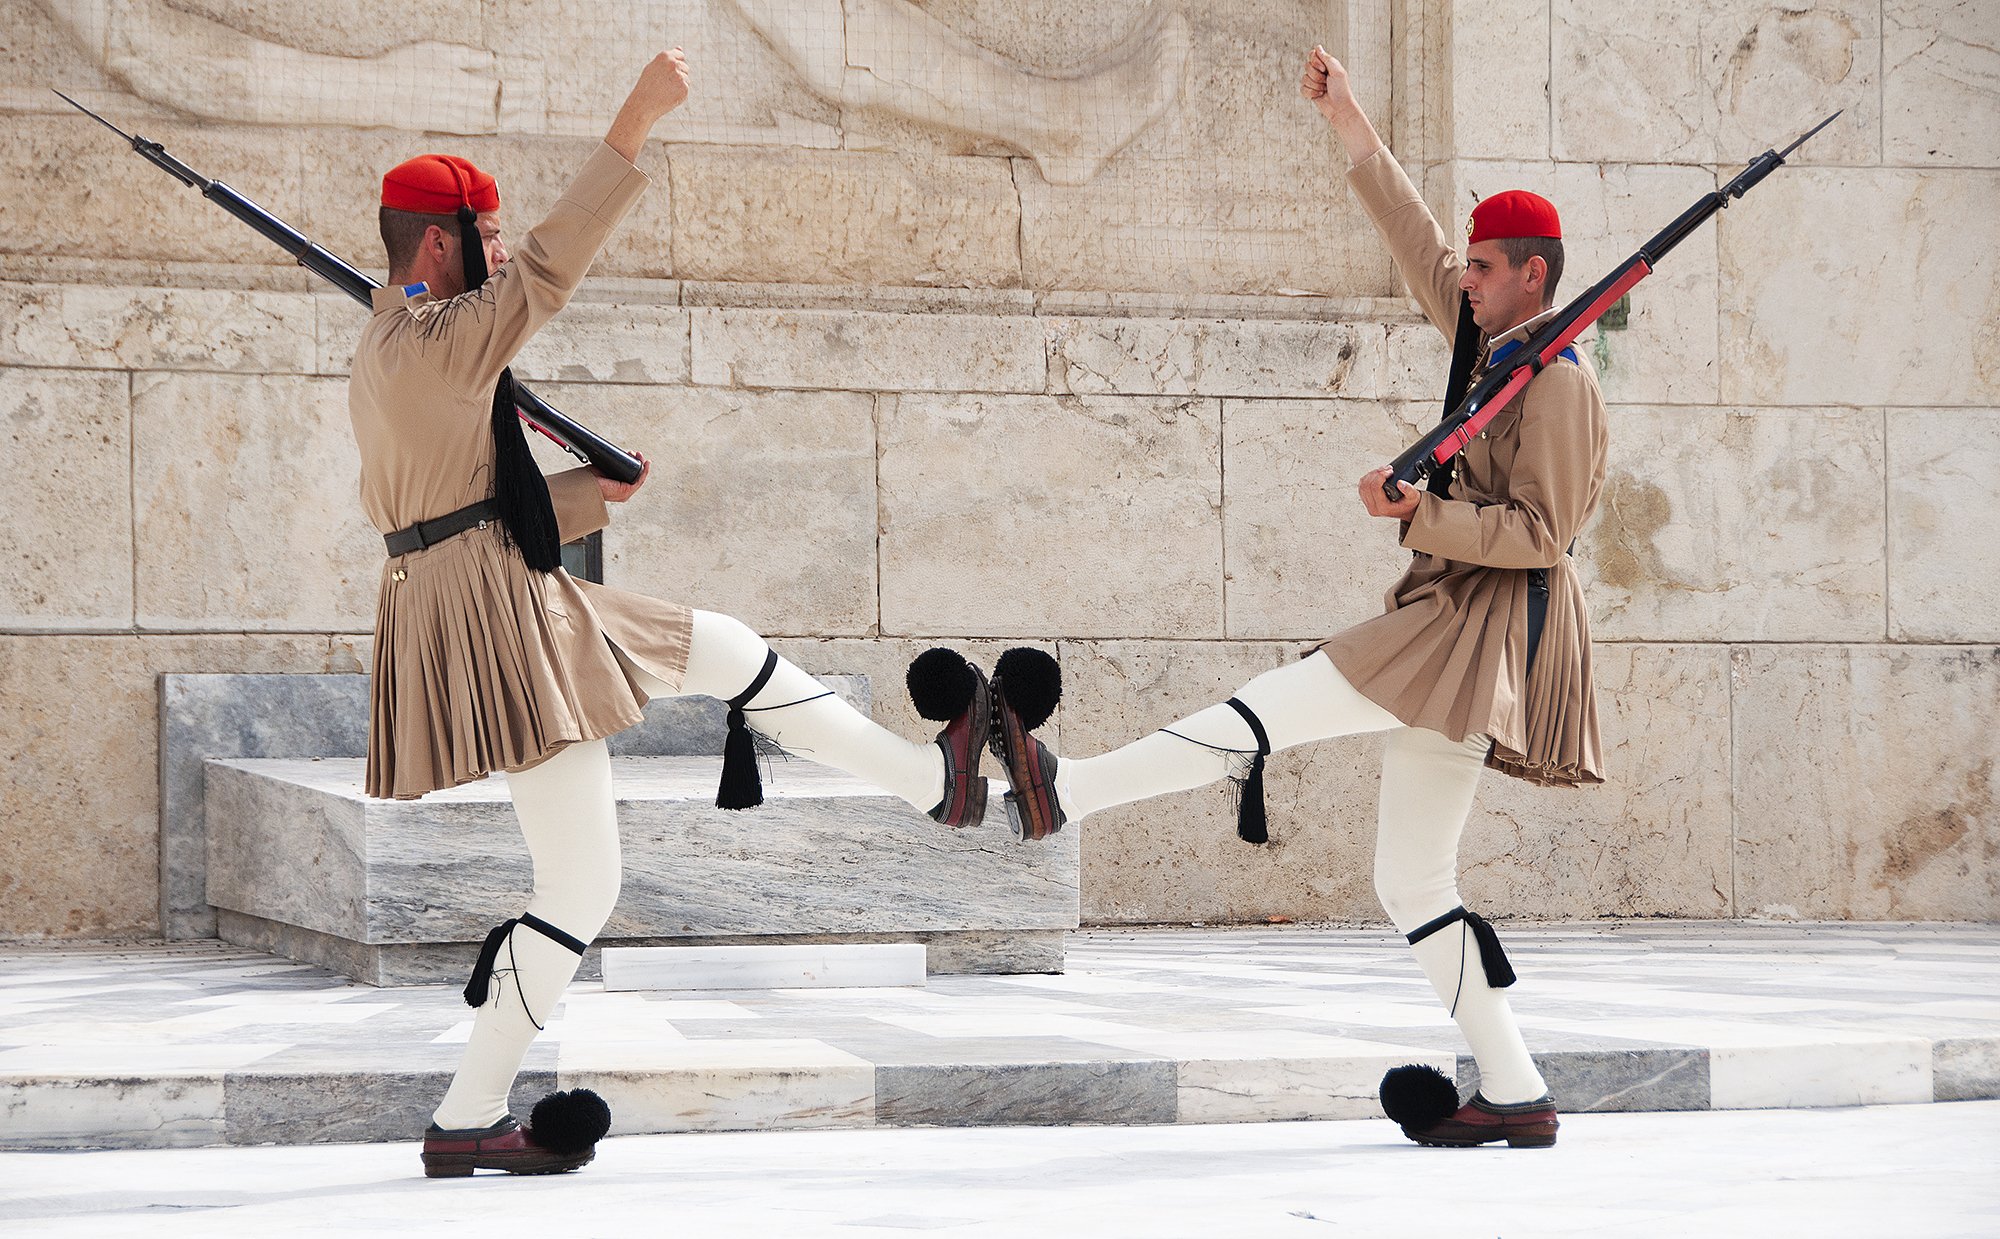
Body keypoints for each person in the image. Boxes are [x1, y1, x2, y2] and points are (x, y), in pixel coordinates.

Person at [347, 49, 991, 1178]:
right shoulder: (441, 339)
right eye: (484, 237)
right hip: (497, 615)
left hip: (493, 583)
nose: (499, 255)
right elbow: (549, 271)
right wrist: (634, 120)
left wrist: (586, 494)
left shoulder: (396, 335)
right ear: (439, 245)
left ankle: (930, 783)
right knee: (579, 885)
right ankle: (466, 1116)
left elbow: (449, 500)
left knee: (721, 646)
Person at [979, 44, 1610, 1149]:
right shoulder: (1491, 348)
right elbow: (1413, 240)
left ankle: (1064, 791)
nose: (1462, 279)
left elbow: (1541, 535)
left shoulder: (1557, 383)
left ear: (1531, 276)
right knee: (1411, 878)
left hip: (1473, 630)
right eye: (1466, 267)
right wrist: (1348, 121)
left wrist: (1417, 512)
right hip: (1449, 621)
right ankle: (1516, 1092)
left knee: (1268, 707)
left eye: (1482, 267)